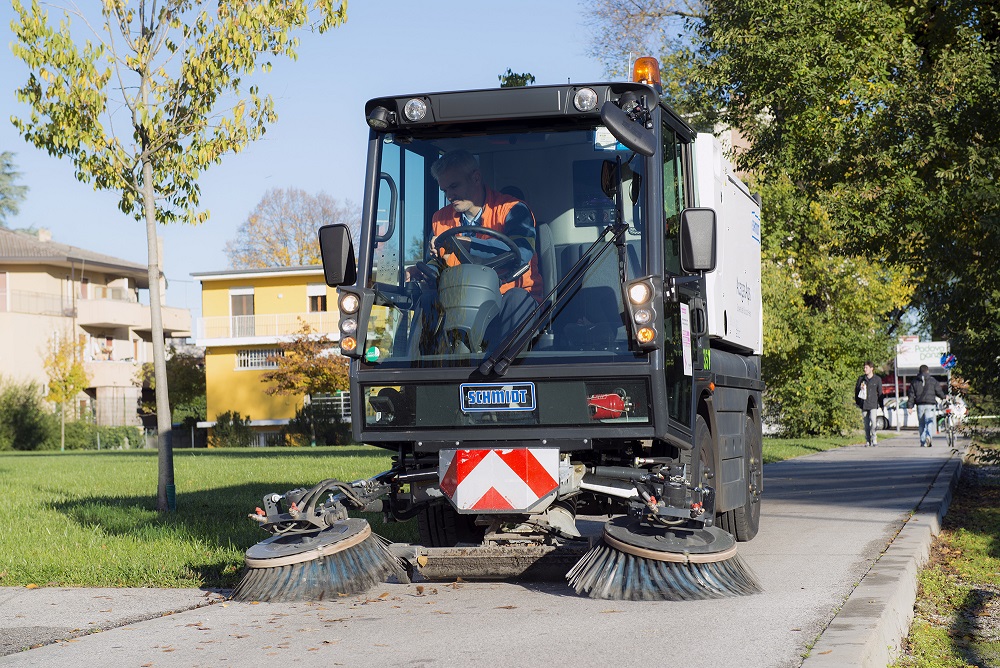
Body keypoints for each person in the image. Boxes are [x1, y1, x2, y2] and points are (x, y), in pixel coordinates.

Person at [410, 150, 543, 353]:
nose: (449, 196)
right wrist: (424, 270)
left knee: (518, 299)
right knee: (427, 301)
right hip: (458, 301)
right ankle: (416, 376)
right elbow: (436, 263)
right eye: (444, 190)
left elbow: (522, 252)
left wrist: (468, 244)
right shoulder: (440, 218)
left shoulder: (512, 209)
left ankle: (509, 373)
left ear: (476, 177)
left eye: (454, 186)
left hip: (506, 299)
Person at [908, 364, 946, 447]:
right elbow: (938, 391)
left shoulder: (914, 381)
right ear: (927, 371)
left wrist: (910, 406)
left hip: (920, 405)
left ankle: (923, 441)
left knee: (921, 424)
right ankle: (929, 436)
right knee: (929, 422)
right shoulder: (933, 381)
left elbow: (911, 394)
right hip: (930, 404)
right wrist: (944, 397)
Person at [855, 361, 884, 447]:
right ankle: (868, 440)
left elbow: (880, 392)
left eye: (866, 368)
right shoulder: (861, 379)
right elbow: (856, 391)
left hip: (873, 404)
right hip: (864, 404)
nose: (865, 369)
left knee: (873, 421)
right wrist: (857, 402)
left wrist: (881, 405)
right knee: (866, 424)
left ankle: (874, 438)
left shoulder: (877, 379)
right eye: (864, 368)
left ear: (871, 369)